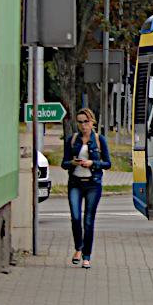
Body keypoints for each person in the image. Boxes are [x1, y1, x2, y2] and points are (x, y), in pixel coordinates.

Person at [61, 108, 111, 268]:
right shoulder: (72, 139)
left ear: (92, 122)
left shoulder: (99, 139)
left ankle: (87, 256)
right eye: (80, 122)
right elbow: (64, 163)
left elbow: (108, 163)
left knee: (88, 221)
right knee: (75, 217)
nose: (83, 125)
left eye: (86, 122)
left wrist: (93, 163)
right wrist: (72, 163)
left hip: (92, 184)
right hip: (75, 183)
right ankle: (78, 248)